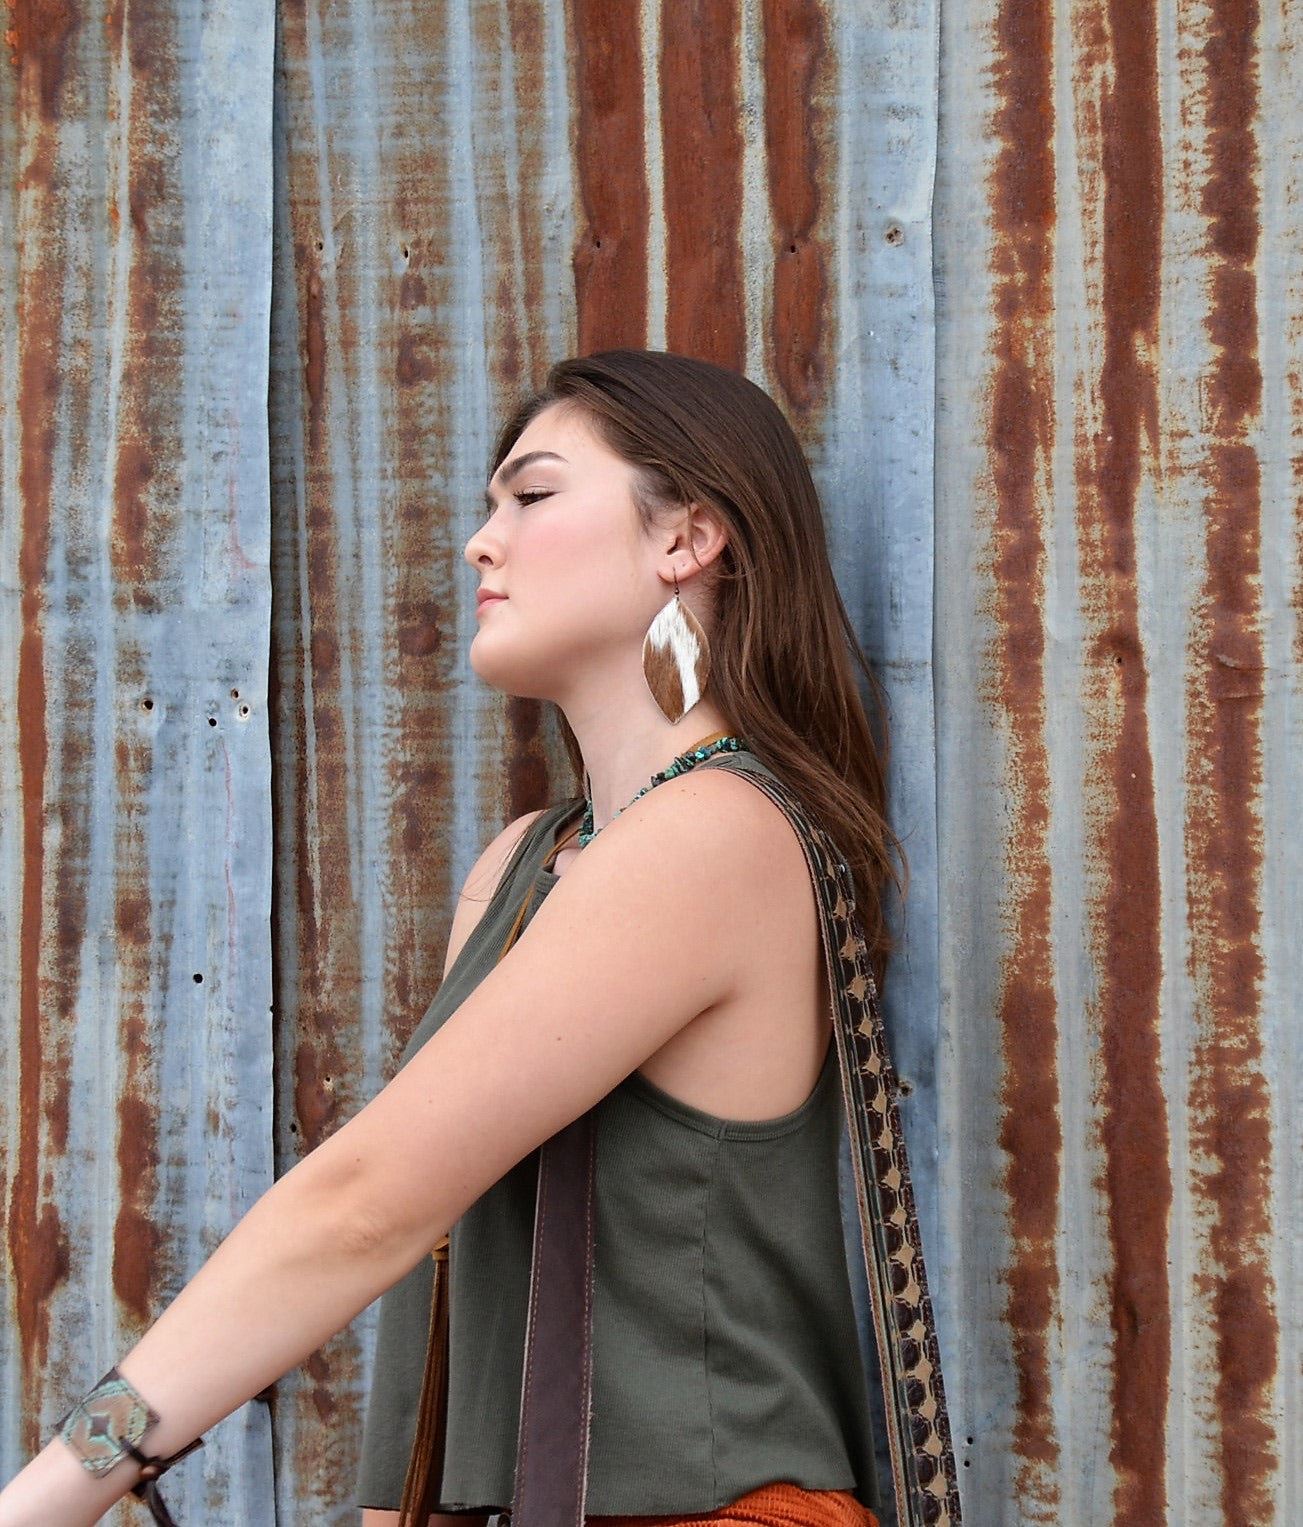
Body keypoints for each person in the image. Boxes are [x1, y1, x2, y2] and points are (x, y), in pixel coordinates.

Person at [0, 350, 908, 1527]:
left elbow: (363, 1202)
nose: (482, 543)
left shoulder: (716, 834)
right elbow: (435, 1245)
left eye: (530, 496)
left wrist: (57, 1492)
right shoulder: (529, 862)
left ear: (686, 537)